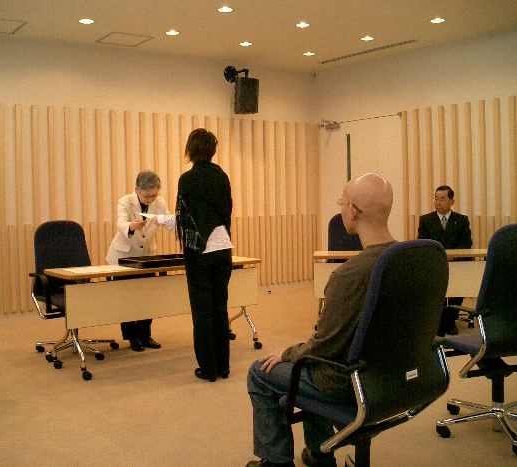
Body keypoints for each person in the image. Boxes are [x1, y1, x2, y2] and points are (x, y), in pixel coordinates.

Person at [246, 173, 396, 467]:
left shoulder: (349, 275)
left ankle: (276, 462)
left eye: (342, 202)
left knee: (260, 371)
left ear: (352, 211)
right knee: (314, 365)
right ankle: (319, 453)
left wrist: (288, 353)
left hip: (350, 382)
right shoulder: (410, 258)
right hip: (398, 377)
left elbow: (323, 347)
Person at [175, 128, 234, 382]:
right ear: (212, 150)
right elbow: (227, 211)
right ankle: (223, 366)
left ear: (190, 149)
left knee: (202, 311)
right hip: (223, 247)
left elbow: (183, 218)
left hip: (199, 251)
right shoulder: (221, 176)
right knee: (220, 308)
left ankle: (208, 368)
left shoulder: (187, 179)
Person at [106, 170, 175, 352]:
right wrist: (131, 226)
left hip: (147, 256)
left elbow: (168, 220)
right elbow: (121, 223)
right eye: (146, 196)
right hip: (123, 256)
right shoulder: (125, 201)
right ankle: (132, 337)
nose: (151, 199)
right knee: (127, 298)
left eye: (154, 195)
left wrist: (174, 222)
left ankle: (145, 335)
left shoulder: (160, 202)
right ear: (137, 189)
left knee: (147, 296)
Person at [417, 185, 472, 336]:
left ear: (452, 202)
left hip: (456, 264)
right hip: (435, 263)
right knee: (436, 291)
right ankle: (438, 321)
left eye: (442, 199)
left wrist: (453, 255)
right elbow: (422, 242)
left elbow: (466, 243)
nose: (438, 202)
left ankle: (450, 320)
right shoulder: (426, 220)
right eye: (436, 198)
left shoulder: (461, 220)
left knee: (458, 288)